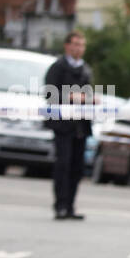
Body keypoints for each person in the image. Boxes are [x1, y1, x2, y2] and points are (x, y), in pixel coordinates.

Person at [44, 30, 93, 220]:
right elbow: (49, 94)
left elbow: (87, 95)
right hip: (62, 125)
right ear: (67, 46)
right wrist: (72, 96)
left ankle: (71, 206)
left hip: (80, 125)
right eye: (75, 44)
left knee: (77, 167)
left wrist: (90, 100)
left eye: (82, 45)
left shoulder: (86, 69)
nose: (79, 48)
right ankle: (60, 206)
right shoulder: (58, 67)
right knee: (62, 165)